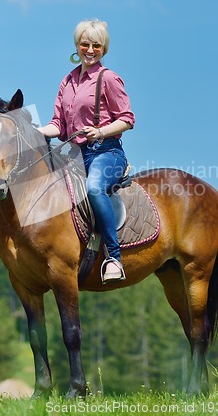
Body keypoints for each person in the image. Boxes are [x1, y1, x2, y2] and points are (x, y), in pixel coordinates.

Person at [39, 19, 135, 283]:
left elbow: (127, 119)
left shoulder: (109, 79)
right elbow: (57, 124)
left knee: (94, 188)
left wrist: (101, 131)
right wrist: (34, 131)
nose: (90, 50)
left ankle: (113, 258)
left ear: (103, 49)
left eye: (96, 45)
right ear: (76, 46)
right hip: (75, 154)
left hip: (107, 151)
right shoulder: (67, 81)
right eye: (85, 44)